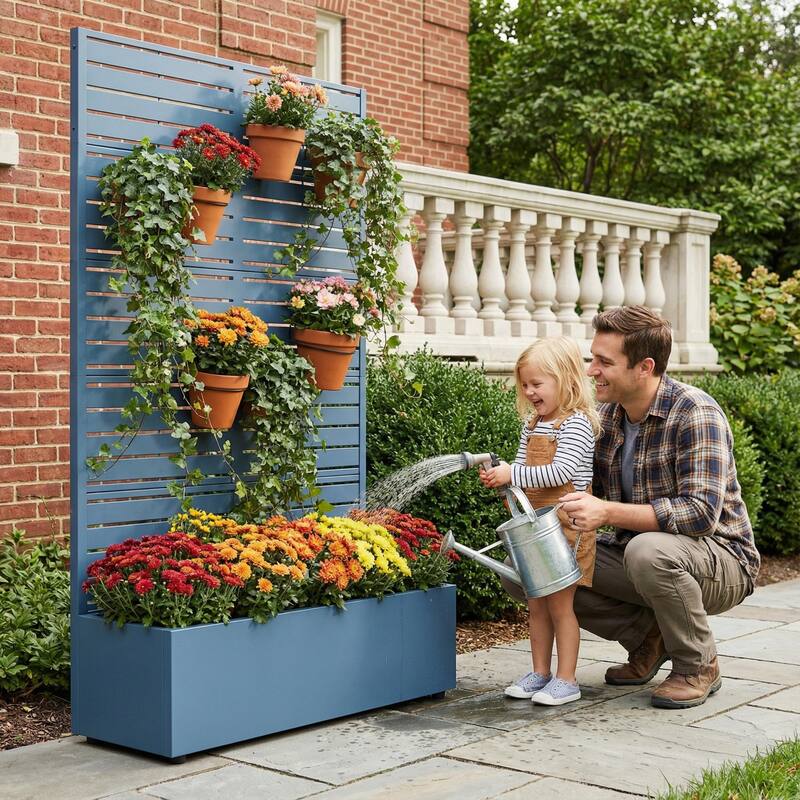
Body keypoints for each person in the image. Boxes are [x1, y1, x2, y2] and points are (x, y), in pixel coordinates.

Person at [502, 306, 760, 710]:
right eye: (592, 358)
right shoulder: (604, 418)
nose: (590, 371)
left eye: (604, 362)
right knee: (532, 567)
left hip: (721, 559)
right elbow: (576, 484)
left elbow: (699, 514)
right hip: (641, 553)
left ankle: (697, 665)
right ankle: (649, 638)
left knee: (648, 551)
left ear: (644, 367)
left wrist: (606, 512)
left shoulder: (695, 412)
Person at [480, 337, 601, 706]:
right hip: (537, 527)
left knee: (561, 606)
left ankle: (567, 679)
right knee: (536, 604)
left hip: (567, 527)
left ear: (565, 379)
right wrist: (509, 493)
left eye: (537, 383)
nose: (529, 392)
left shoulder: (576, 424)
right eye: (525, 385)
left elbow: (559, 471)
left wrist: (511, 474)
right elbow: (523, 471)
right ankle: (540, 672)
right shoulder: (534, 423)